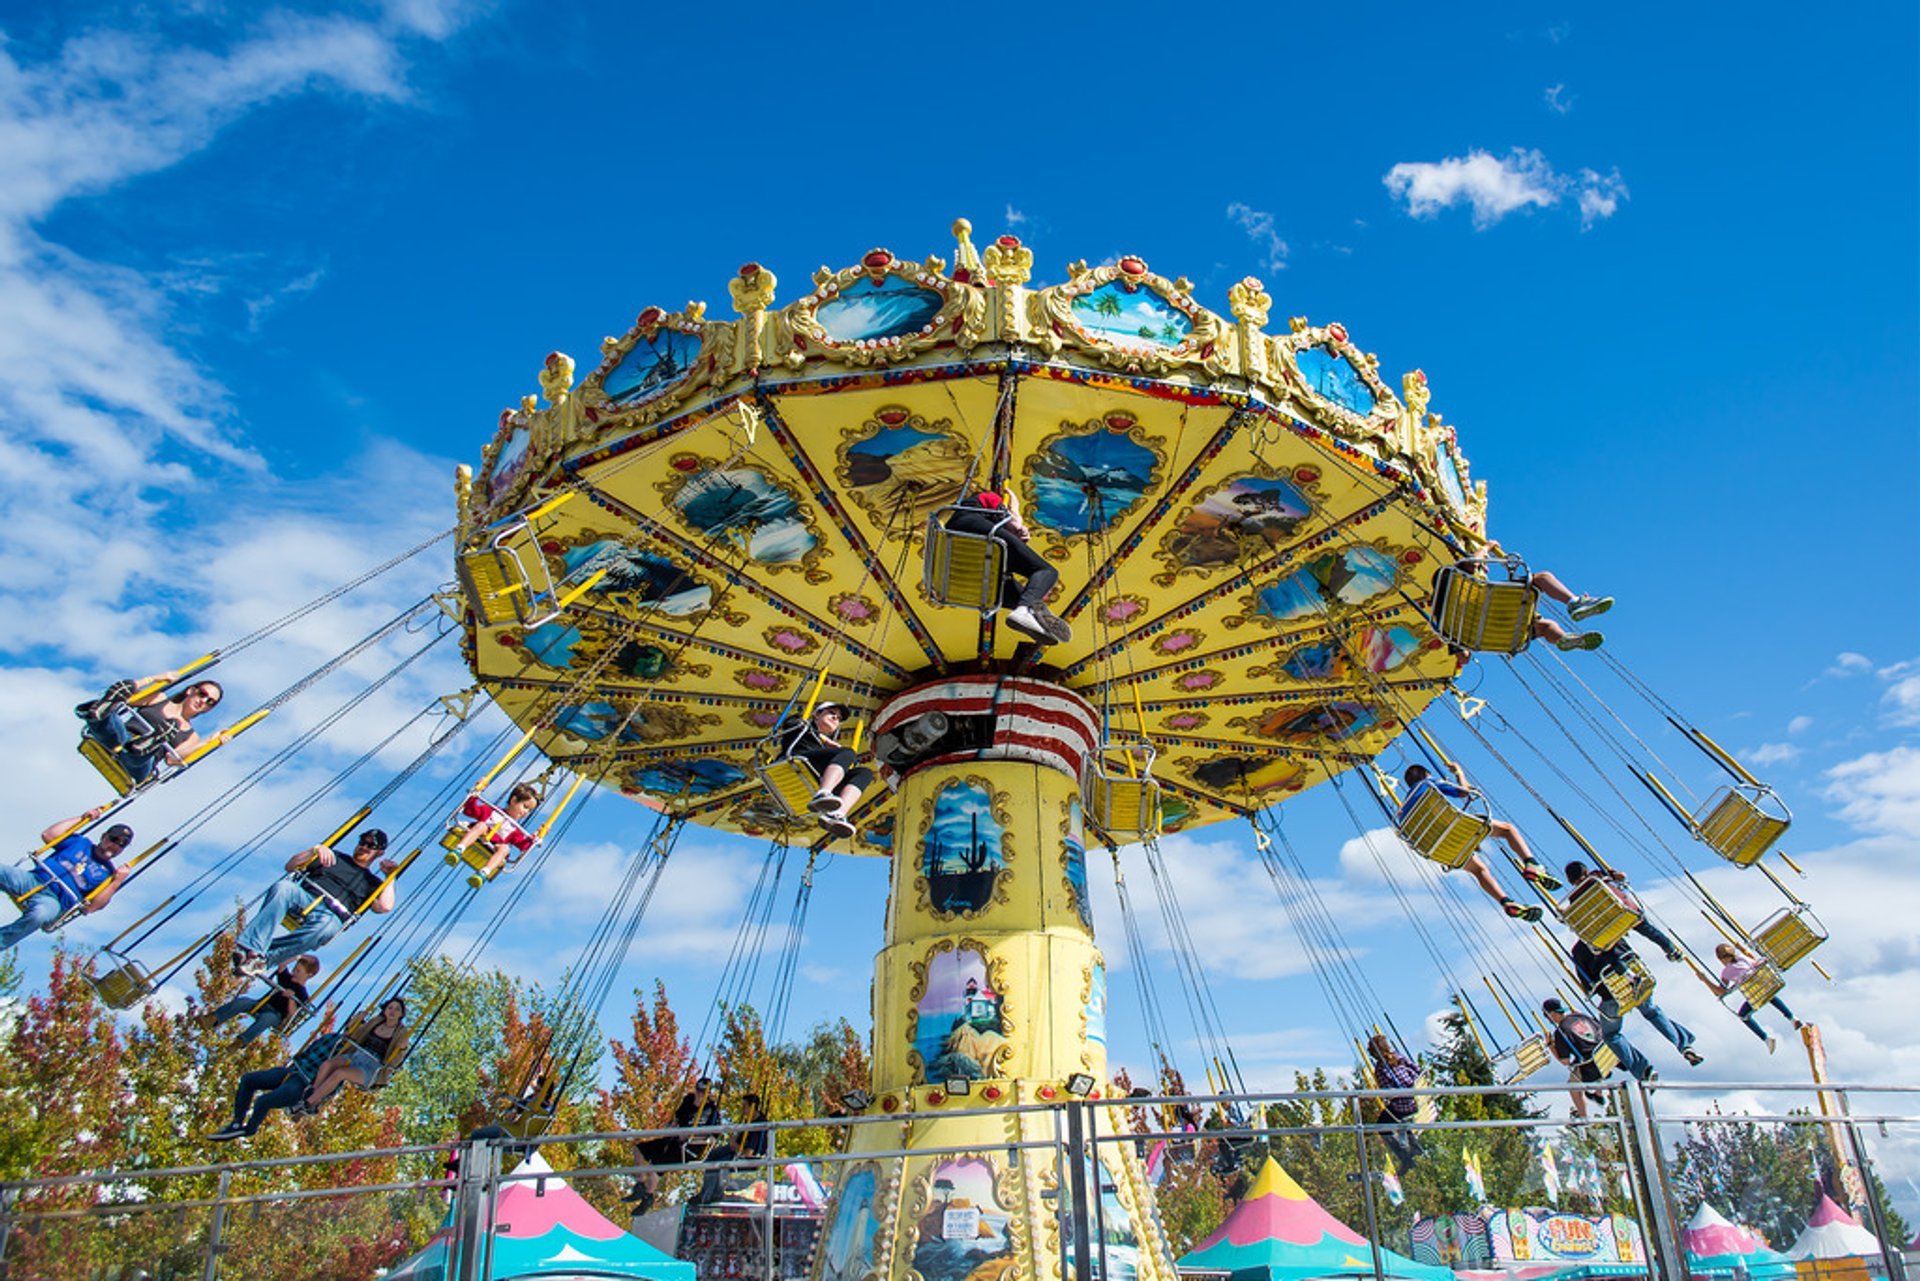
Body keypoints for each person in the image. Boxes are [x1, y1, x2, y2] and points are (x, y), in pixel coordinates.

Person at [1397, 761, 1561, 921]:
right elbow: (1464, 792)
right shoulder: (1428, 783)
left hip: (1440, 847)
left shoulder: (1403, 811)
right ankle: (1531, 863)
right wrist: (1459, 773)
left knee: (1479, 870)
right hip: (1454, 829)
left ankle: (1505, 901)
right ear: (1426, 774)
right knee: (1507, 830)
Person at [231, 829, 399, 977]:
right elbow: (290, 866)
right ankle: (249, 947)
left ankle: (263, 960)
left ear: (380, 853)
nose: (364, 847)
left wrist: (390, 877)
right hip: (305, 898)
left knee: (325, 927)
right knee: (283, 887)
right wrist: (315, 850)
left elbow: (384, 907)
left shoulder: (372, 882)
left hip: (331, 915)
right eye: (362, 842)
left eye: (371, 846)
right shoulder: (334, 856)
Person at [943, 490, 1071, 645]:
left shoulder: (960, 516)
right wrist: (1015, 509)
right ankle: (1025, 611)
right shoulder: (990, 497)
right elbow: (1012, 522)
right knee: (1046, 571)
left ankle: (1032, 614)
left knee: (1015, 591)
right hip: (978, 531)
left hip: (963, 554)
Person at [0, 808, 131, 949]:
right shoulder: (81, 843)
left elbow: (92, 907)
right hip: (33, 880)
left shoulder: (108, 874)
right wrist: (81, 819)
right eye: (114, 839)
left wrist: (117, 881)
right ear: (104, 836)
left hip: (52, 901)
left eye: (122, 844)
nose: (116, 846)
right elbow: (48, 835)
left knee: (39, 915)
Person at [1432, 547, 1609, 652]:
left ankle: (1567, 638)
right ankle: (1574, 603)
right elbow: (1473, 562)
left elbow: (1463, 657)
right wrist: (1488, 546)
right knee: (1541, 578)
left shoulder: (1442, 619)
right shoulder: (1458, 581)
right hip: (1502, 615)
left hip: (1490, 635)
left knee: (1543, 626)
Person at [76, 671, 229, 786]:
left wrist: (210, 741)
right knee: (115, 727)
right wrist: (154, 679)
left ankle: (147, 744)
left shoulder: (191, 736)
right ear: (190, 690)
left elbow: (173, 760)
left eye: (210, 702)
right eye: (202, 694)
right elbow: (126, 699)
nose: (203, 701)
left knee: (138, 756)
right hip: (121, 739)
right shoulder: (159, 699)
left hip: (141, 764)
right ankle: (98, 712)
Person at [1569, 938, 1703, 1066]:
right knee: (1652, 1012)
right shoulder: (1611, 935)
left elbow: (1588, 985)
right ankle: (1684, 1046)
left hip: (1612, 997)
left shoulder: (1578, 950)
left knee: (1611, 1035)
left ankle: (1643, 1070)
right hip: (1636, 986)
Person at [623, 1075, 724, 1208]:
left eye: (703, 1093)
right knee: (638, 1149)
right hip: (673, 1140)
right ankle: (640, 1185)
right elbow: (678, 1118)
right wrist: (672, 1127)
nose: (699, 1095)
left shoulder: (712, 1111)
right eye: (698, 1091)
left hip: (689, 1149)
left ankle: (648, 1197)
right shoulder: (688, 1101)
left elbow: (713, 1137)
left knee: (655, 1167)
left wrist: (692, 1137)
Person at [780, 703, 873, 839]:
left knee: (865, 773)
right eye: (831, 712)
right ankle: (823, 793)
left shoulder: (823, 745)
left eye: (839, 718)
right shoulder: (800, 724)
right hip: (798, 759)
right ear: (817, 714)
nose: (836, 717)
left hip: (817, 772)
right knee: (848, 753)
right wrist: (825, 740)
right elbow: (792, 723)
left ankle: (837, 814)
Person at [298, 998, 410, 1111]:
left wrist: (402, 1048)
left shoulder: (400, 1033)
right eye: (390, 1008)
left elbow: (396, 1061)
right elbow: (355, 1033)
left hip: (372, 1066)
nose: (392, 1011)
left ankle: (308, 1103)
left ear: (401, 1014)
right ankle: (314, 1097)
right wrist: (357, 1020)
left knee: (340, 1073)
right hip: (356, 1055)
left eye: (397, 1009)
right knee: (327, 1065)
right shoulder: (375, 1022)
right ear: (385, 1010)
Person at [1543, 996, 1646, 1118]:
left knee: (1573, 1086)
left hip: (1592, 1066)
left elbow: (1565, 1061)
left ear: (1552, 1014)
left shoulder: (1561, 1032)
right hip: (1608, 1055)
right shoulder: (1582, 1016)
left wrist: (1550, 1045)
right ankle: (1598, 1094)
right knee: (1591, 1053)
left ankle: (1583, 1117)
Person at [1562, 860, 1683, 961]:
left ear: (1570, 880)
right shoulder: (1596, 875)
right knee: (1646, 928)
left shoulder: (1574, 896)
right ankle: (1670, 948)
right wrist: (1614, 875)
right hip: (1625, 911)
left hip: (1608, 924)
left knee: (1603, 948)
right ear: (1586, 871)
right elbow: (1621, 876)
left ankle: (1626, 971)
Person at [1698, 942, 1803, 1053]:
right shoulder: (1742, 958)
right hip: (1765, 986)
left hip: (1754, 994)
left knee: (1743, 1015)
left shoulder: (1726, 972)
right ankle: (1792, 1017)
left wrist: (1704, 979)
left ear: (1721, 959)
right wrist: (1743, 949)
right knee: (1769, 995)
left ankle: (1766, 1038)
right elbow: (1755, 963)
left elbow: (1720, 991)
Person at [208, 955, 320, 1047]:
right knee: (243, 1002)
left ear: (309, 975)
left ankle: (241, 1041)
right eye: (295, 969)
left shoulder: (302, 994)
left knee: (267, 1019)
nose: (295, 972)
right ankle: (214, 1018)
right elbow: (282, 965)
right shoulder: (287, 979)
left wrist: (291, 998)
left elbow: (293, 1012)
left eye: (299, 971)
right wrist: (297, 956)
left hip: (275, 1014)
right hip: (261, 1004)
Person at [449, 783, 540, 886]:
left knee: (505, 849)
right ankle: (459, 849)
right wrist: (474, 795)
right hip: (481, 834)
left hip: (493, 846)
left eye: (529, 811)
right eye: (525, 807)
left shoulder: (515, 830)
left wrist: (536, 837)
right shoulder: (491, 811)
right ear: (514, 800)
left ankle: (484, 872)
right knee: (482, 826)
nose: (525, 812)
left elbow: (523, 845)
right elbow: (470, 810)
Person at [1365, 1033, 1425, 1175]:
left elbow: (1388, 1092)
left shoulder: (1381, 1068)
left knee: (1383, 1125)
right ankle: (1414, 1146)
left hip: (1401, 1105)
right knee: (1399, 1120)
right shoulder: (1399, 1057)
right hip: (1415, 1101)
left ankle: (1405, 1157)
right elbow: (1417, 1070)